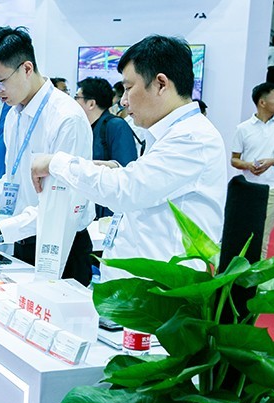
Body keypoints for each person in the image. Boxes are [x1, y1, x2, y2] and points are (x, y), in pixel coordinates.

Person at [30, 35, 228, 282]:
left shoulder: (192, 137)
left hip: (164, 292)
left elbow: (126, 190)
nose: (123, 101)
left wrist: (55, 163)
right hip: (144, 288)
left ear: (161, 84)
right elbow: (145, 185)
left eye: (128, 88)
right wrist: (108, 169)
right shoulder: (169, 133)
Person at [0, 26, 94, 286]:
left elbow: (62, 205)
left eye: (0, 81)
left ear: (27, 68)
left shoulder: (66, 118)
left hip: (61, 246)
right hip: (20, 239)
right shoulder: (13, 115)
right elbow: (14, 179)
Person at [231, 82, 274, 257]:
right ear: (262, 102)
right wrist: (248, 165)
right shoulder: (243, 128)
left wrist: (273, 161)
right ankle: (241, 271)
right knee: (244, 233)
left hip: (273, 188)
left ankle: (257, 273)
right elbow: (234, 159)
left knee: (261, 236)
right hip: (247, 189)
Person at [74, 77, 138, 218]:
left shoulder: (116, 126)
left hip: (110, 214)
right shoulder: (85, 129)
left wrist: (87, 166)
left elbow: (127, 170)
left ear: (91, 103)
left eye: (77, 98)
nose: (73, 102)